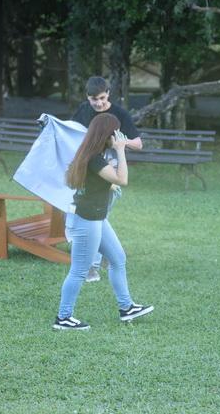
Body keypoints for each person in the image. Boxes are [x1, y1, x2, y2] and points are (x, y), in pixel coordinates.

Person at [53, 113, 153, 330]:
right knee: (79, 271)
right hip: (86, 219)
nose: (118, 136)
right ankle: (63, 318)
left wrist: (109, 181)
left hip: (96, 217)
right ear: (107, 134)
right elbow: (122, 179)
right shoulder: (94, 158)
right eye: (116, 132)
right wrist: (121, 149)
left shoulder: (93, 154)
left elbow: (105, 181)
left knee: (118, 259)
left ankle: (126, 307)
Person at [71, 76, 143, 282]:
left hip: (110, 175)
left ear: (108, 94)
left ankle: (92, 266)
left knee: (98, 216)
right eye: (94, 99)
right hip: (87, 172)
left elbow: (138, 144)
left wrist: (117, 143)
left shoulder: (119, 113)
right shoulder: (83, 110)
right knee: (93, 218)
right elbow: (71, 132)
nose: (99, 103)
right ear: (87, 97)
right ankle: (100, 256)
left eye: (102, 98)